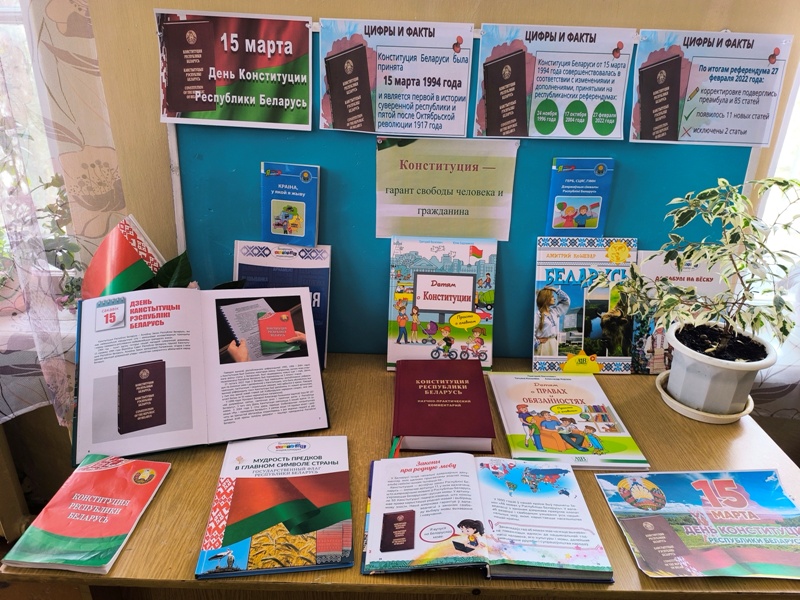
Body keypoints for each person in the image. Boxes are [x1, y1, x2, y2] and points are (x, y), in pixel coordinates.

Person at [534, 286, 570, 356]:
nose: (554, 298)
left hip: (553, 343)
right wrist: (537, 342)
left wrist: (554, 289)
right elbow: (532, 332)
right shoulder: (538, 315)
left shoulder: (554, 311)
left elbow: (566, 300)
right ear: (546, 298)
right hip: (543, 345)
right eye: (552, 297)